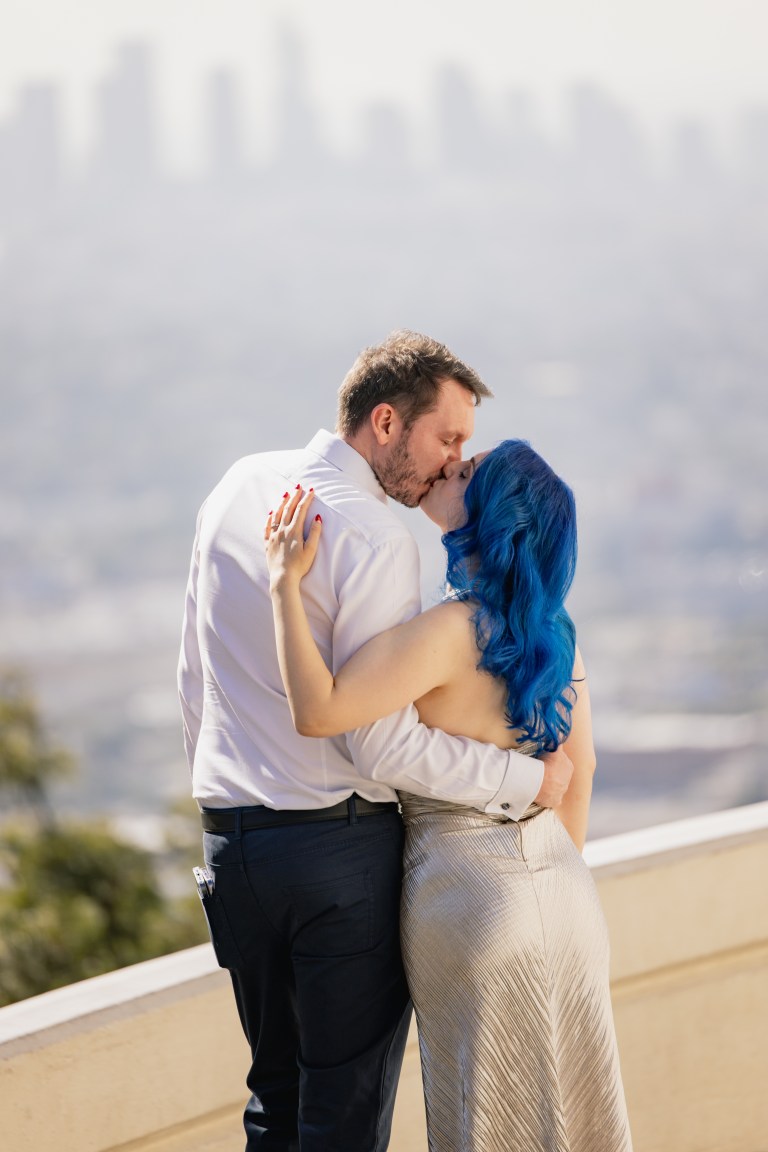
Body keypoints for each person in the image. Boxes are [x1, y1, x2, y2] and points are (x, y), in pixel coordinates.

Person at [177, 331, 574, 1152]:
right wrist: (521, 780)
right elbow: (379, 748)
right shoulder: (377, 534)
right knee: (344, 1118)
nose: (452, 460)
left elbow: (197, 678)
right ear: (387, 423)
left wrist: (225, 796)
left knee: (272, 1103)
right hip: (338, 853)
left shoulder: (238, 486)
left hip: (233, 846)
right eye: (448, 440)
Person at [265, 439, 633, 1152]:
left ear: (489, 518)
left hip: (469, 903)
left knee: (486, 1121)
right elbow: (579, 774)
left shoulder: (449, 631)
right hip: (565, 897)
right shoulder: (557, 635)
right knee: (576, 1116)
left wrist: (285, 585)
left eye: (467, 473)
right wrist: (541, 896)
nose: (448, 467)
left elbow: (319, 711)